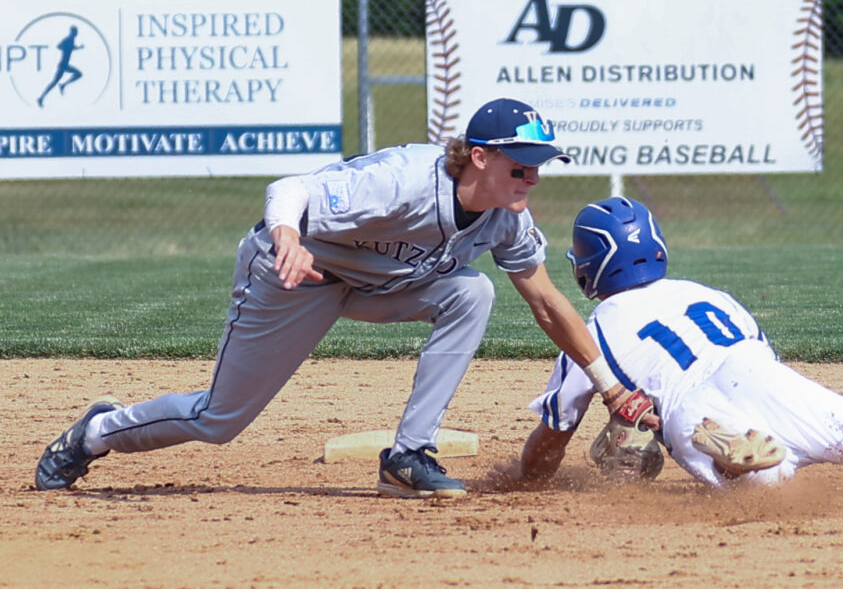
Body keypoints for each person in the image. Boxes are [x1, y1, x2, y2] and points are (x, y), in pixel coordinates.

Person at [34, 98, 657, 499]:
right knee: (218, 420)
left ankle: (408, 455)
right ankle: (95, 433)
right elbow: (291, 188)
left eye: (539, 166)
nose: (533, 178)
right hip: (293, 277)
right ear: (480, 156)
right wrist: (285, 238)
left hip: (376, 285)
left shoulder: (505, 221)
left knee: (470, 292)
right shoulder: (402, 184)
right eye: (521, 165)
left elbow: (548, 302)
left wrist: (611, 387)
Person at [520, 196, 843, 489]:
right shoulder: (708, 294)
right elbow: (762, 355)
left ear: (590, 266)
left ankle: (728, 455)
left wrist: (525, 476)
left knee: (769, 481)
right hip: (759, 373)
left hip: (690, 404)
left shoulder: (592, 329)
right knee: (833, 430)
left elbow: (556, 431)